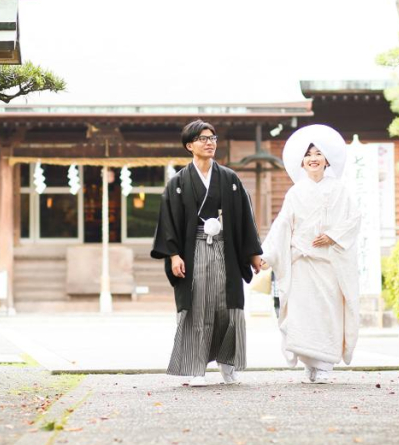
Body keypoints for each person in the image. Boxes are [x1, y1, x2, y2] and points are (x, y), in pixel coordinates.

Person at [151, 120, 264, 387]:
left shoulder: (230, 179)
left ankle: (228, 364)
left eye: (212, 138)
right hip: (193, 251)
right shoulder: (178, 182)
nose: (210, 142)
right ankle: (195, 367)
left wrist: (253, 254)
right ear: (190, 146)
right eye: (203, 139)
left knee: (228, 307)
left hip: (226, 248)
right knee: (197, 306)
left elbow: (245, 219)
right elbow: (168, 221)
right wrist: (174, 254)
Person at [261, 124, 361, 384]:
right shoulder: (295, 192)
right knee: (302, 313)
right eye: (308, 155)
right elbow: (282, 225)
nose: (313, 158)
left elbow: (353, 220)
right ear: (301, 162)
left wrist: (333, 236)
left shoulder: (340, 190)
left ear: (327, 159)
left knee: (327, 312)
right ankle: (309, 364)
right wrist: (267, 255)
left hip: (328, 264)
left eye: (318, 153)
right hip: (302, 265)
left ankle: (325, 365)